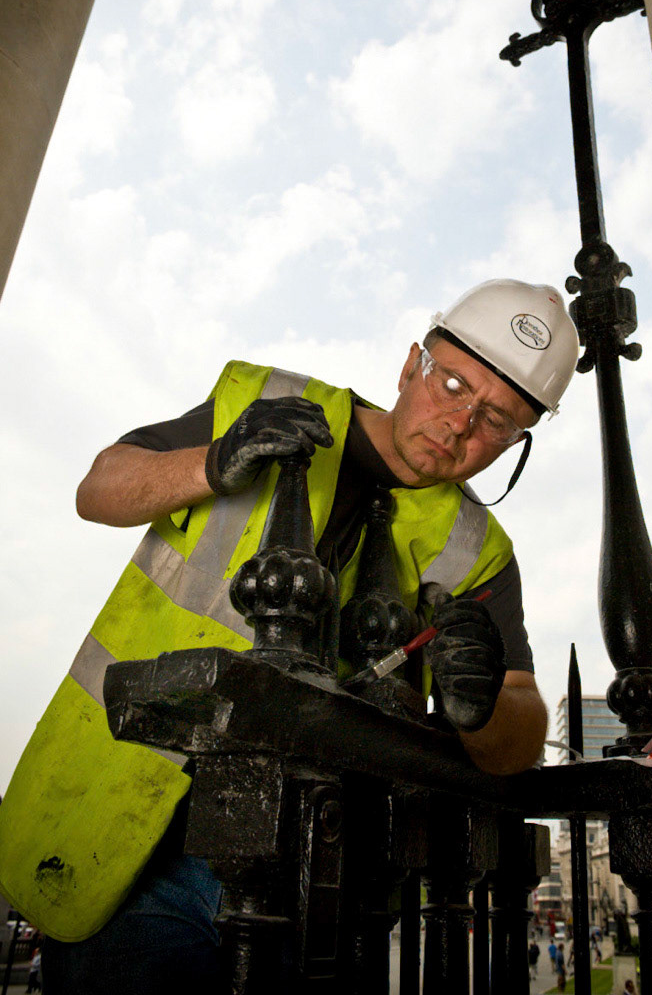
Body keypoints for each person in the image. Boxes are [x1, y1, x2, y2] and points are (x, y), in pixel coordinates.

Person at [0, 279, 580, 994]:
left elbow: (520, 732)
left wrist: (484, 699)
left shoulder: (478, 548)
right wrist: (211, 461)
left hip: (324, 871)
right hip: (135, 831)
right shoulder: (262, 398)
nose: (461, 424)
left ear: (518, 442)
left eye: (497, 421)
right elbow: (99, 488)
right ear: (411, 366)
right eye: (453, 383)